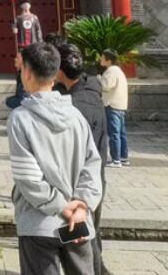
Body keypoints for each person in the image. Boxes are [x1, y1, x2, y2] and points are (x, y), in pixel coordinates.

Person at [8, 42, 103, 275]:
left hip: (39, 224)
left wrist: (62, 207)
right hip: (77, 220)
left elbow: (28, 178)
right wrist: (82, 204)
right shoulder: (76, 116)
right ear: (55, 73)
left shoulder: (20, 118)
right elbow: (93, 165)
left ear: (27, 72)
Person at [54, 42, 110, 275]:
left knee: (83, 237)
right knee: (89, 232)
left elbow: (80, 151)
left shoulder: (80, 105)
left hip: (83, 180)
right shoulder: (87, 90)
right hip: (92, 176)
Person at [99, 49, 129, 167]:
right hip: (120, 105)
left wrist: (98, 79)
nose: (100, 59)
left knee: (114, 133)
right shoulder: (118, 70)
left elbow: (106, 86)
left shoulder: (111, 71)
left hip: (112, 105)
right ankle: (123, 157)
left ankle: (116, 159)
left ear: (109, 60)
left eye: (102, 57)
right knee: (121, 133)